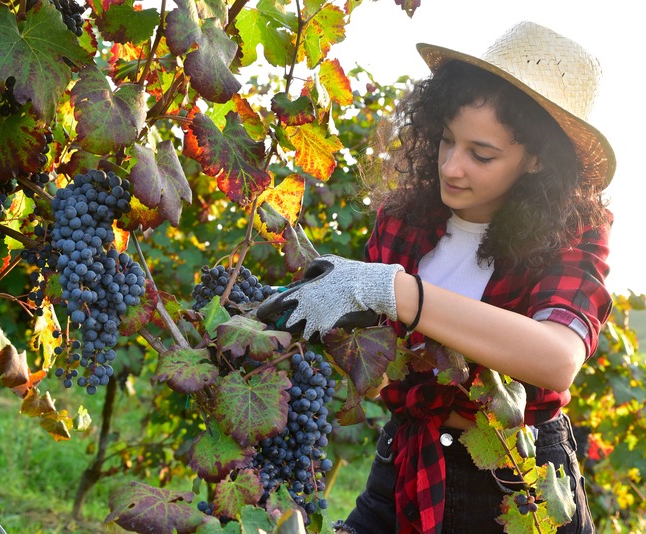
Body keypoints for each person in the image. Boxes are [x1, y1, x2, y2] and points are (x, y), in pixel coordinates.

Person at [257, 21, 614, 533]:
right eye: (448, 141)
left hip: (518, 484)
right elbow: (382, 363)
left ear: (537, 159)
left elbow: (558, 359)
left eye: (481, 154)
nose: (452, 167)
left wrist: (393, 290)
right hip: (409, 457)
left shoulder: (574, 235)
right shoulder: (405, 221)